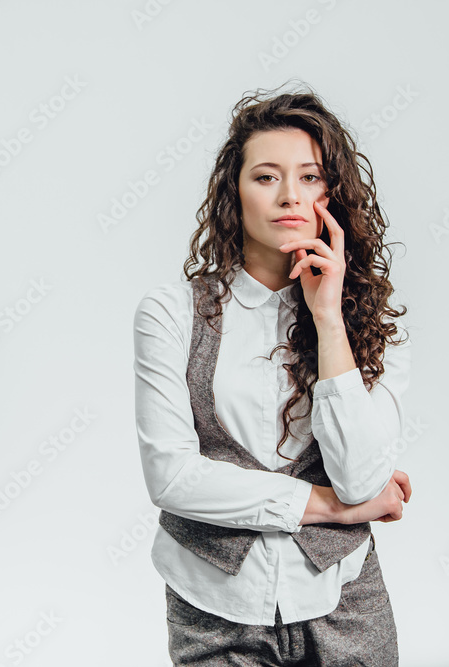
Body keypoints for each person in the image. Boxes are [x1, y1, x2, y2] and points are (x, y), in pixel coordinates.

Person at [132, 82, 413, 666]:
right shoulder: (171, 313)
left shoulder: (373, 322)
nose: (290, 195)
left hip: (344, 602)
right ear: (234, 193)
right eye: (266, 177)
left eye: (310, 177)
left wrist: (329, 319)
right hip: (213, 609)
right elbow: (173, 478)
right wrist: (337, 508)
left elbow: (363, 480)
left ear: (333, 193)